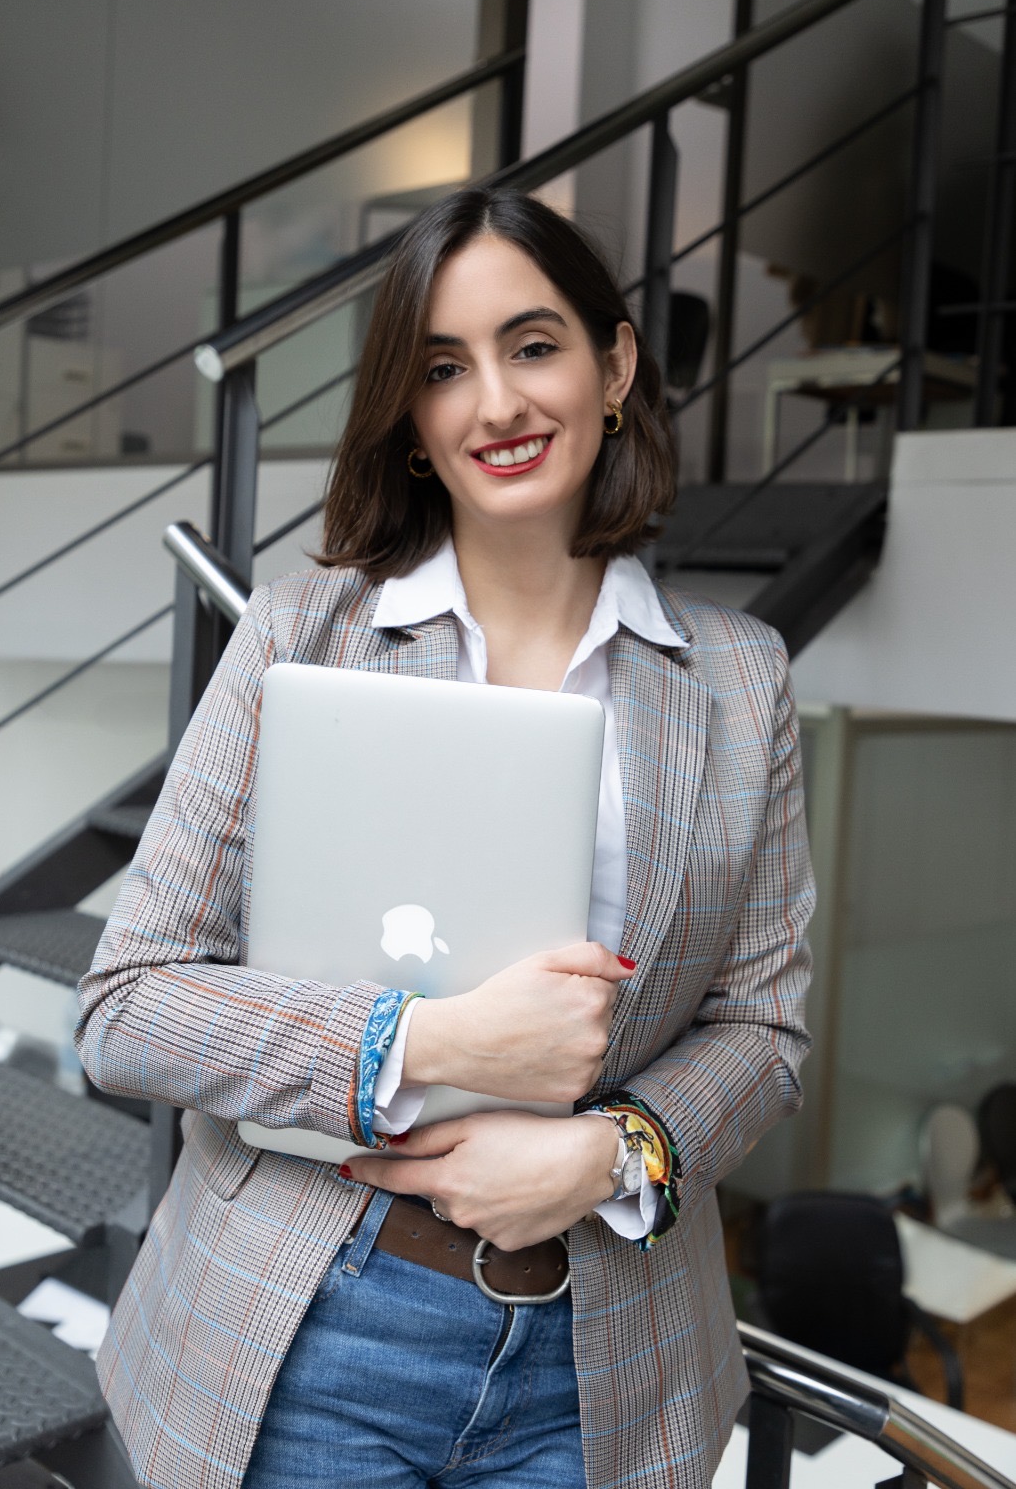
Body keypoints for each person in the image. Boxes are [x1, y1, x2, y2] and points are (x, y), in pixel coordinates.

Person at [76, 187, 813, 1489]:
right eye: (442, 368)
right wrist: (421, 1046)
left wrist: (612, 1152)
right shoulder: (299, 632)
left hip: (604, 1364)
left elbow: (764, 1029)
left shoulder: (740, 681)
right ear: (410, 421)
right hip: (313, 1319)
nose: (496, 404)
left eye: (533, 346)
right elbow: (127, 1006)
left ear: (615, 365)